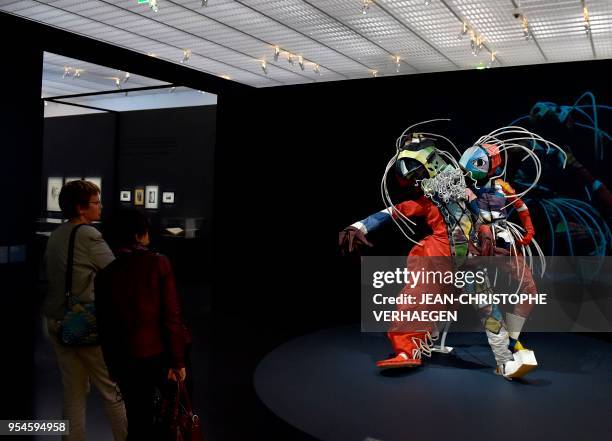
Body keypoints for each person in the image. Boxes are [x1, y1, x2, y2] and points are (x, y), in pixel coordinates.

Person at [95, 209, 190, 441]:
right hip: (158, 356)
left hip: (125, 359)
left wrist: (112, 367)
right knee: (168, 418)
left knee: (137, 420)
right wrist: (177, 361)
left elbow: (105, 327)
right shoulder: (158, 263)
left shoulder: (105, 275)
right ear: (139, 235)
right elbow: (172, 316)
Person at [44, 180, 127, 441]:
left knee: (73, 392)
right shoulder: (89, 235)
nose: (100, 207)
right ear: (81, 208)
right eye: (96, 202)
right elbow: (117, 274)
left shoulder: (57, 234)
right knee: (111, 390)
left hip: (58, 320)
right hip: (85, 322)